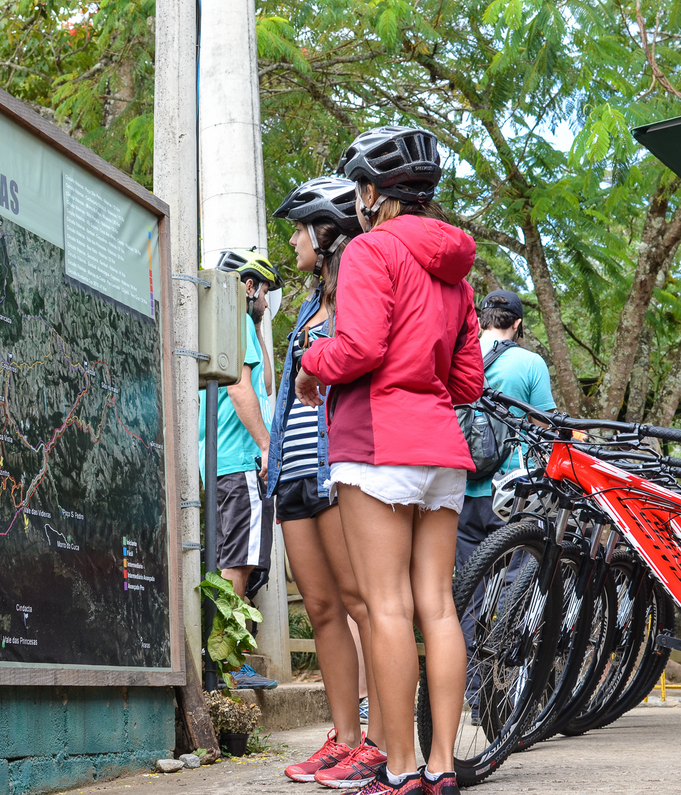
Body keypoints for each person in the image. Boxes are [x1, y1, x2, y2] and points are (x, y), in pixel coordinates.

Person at [297, 126, 482, 795]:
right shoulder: (457, 274)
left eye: (360, 187)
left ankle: (398, 769)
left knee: (384, 607)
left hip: (378, 443)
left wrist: (310, 363)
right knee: (437, 606)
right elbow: (466, 383)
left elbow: (360, 347)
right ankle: (441, 767)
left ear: (376, 191)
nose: (358, 199)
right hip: (441, 451)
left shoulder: (371, 251)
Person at [264, 177, 384, 784]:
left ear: (326, 231)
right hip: (293, 469)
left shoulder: (360, 297)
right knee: (321, 608)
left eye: (298, 229)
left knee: (364, 604)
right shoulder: (309, 308)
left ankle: (384, 740)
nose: (291, 242)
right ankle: (343, 737)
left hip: (340, 469)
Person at [197, 249, 281, 635]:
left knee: (225, 560)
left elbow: (264, 384)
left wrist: (258, 321)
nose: (266, 301)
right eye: (264, 292)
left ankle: (220, 661)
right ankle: (226, 662)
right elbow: (242, 389)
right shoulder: (238, 324)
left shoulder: (226, 326)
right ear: (249, 286)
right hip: (242, 460)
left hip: (218, 463)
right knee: (239, 563)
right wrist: (266, 445)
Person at [456, 289, 556, 570]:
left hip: (460, 487)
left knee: (468, 584)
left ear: (480, 320)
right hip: (514, 490)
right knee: (515, 583)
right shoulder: (530, 363)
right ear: (516, 324)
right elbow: (544, 430)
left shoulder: (458, 359)